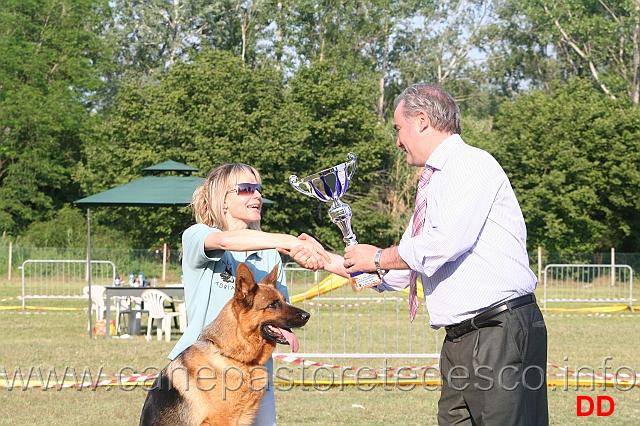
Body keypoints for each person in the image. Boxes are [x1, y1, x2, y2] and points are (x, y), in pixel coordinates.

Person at [291, 83, 548, 425]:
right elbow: (401, 273)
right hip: (461, 339)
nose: (397, 141)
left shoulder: (469, 164)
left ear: (422, 121)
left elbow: (443, 244)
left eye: (398, 129)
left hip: (498, 333)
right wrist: (329, 261)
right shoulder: (433, 182)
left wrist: (378, 256)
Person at [168, 163, 330, 426]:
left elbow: (275, 317)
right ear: (223, 201)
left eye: (258, 190)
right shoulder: (197, 236)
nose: (256, 196)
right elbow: (224, 241)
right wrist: (288, 240)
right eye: (245, 189)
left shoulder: (269, 255)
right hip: (203, 371)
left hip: (254, 376)